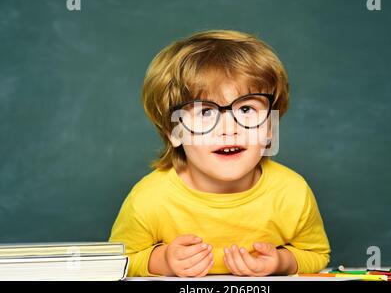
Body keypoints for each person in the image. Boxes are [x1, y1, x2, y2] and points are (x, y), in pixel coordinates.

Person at [109, 29, 330, 277]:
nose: (229, 129)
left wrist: (281, 262)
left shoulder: (292, 193)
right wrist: (162, 261)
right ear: (174, 131)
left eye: (246, 108)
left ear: (271, 126)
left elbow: (317, 254)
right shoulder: (148, 199)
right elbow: (119, 260)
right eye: (205, 112)